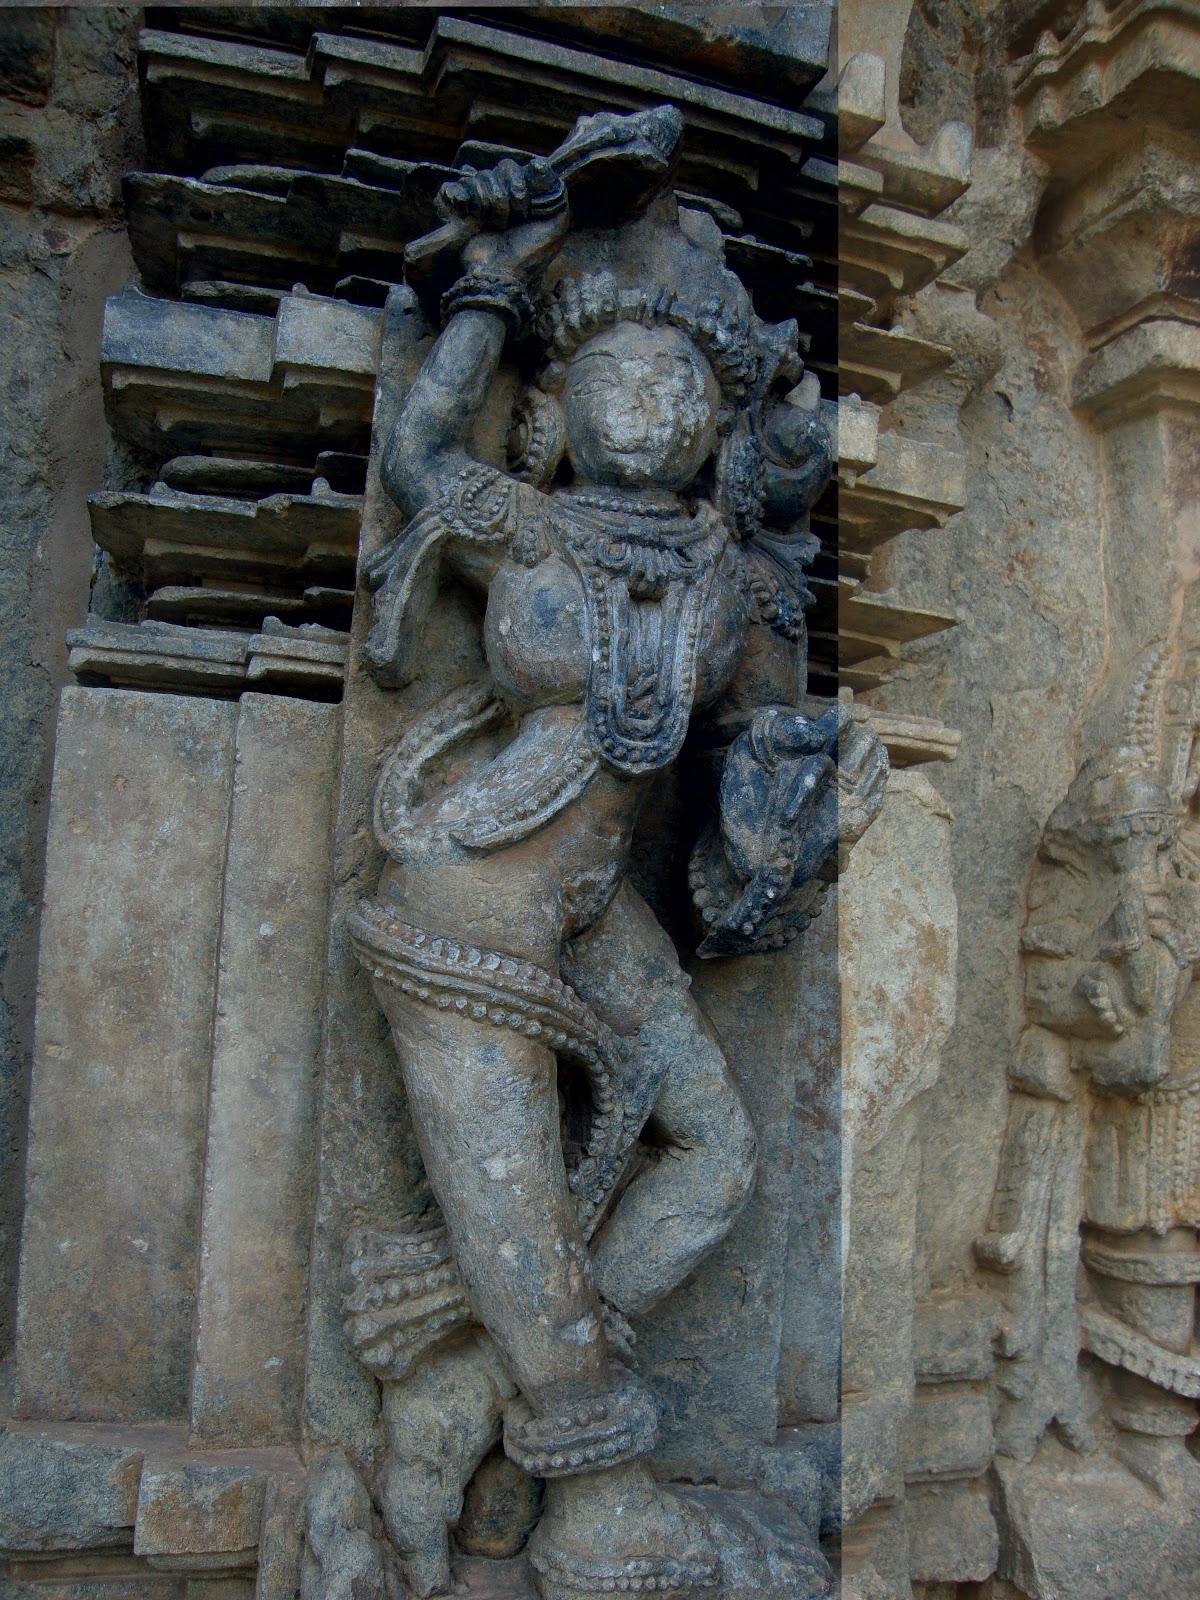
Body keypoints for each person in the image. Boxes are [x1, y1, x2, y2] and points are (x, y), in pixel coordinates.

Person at [343, 112, 885, 1600]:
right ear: (556, 410)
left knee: (715, 1157)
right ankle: (598, 1510)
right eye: (614, 378)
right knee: (517, 1212)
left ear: (718, 427)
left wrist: (806, 821)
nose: (646, 405)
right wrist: (494, 284)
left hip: (588, 916)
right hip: (462, 904)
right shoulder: (519, 524)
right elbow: (416, 450)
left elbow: (737, 806)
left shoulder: (727, 576)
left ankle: (460, 1406)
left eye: (679, 385)